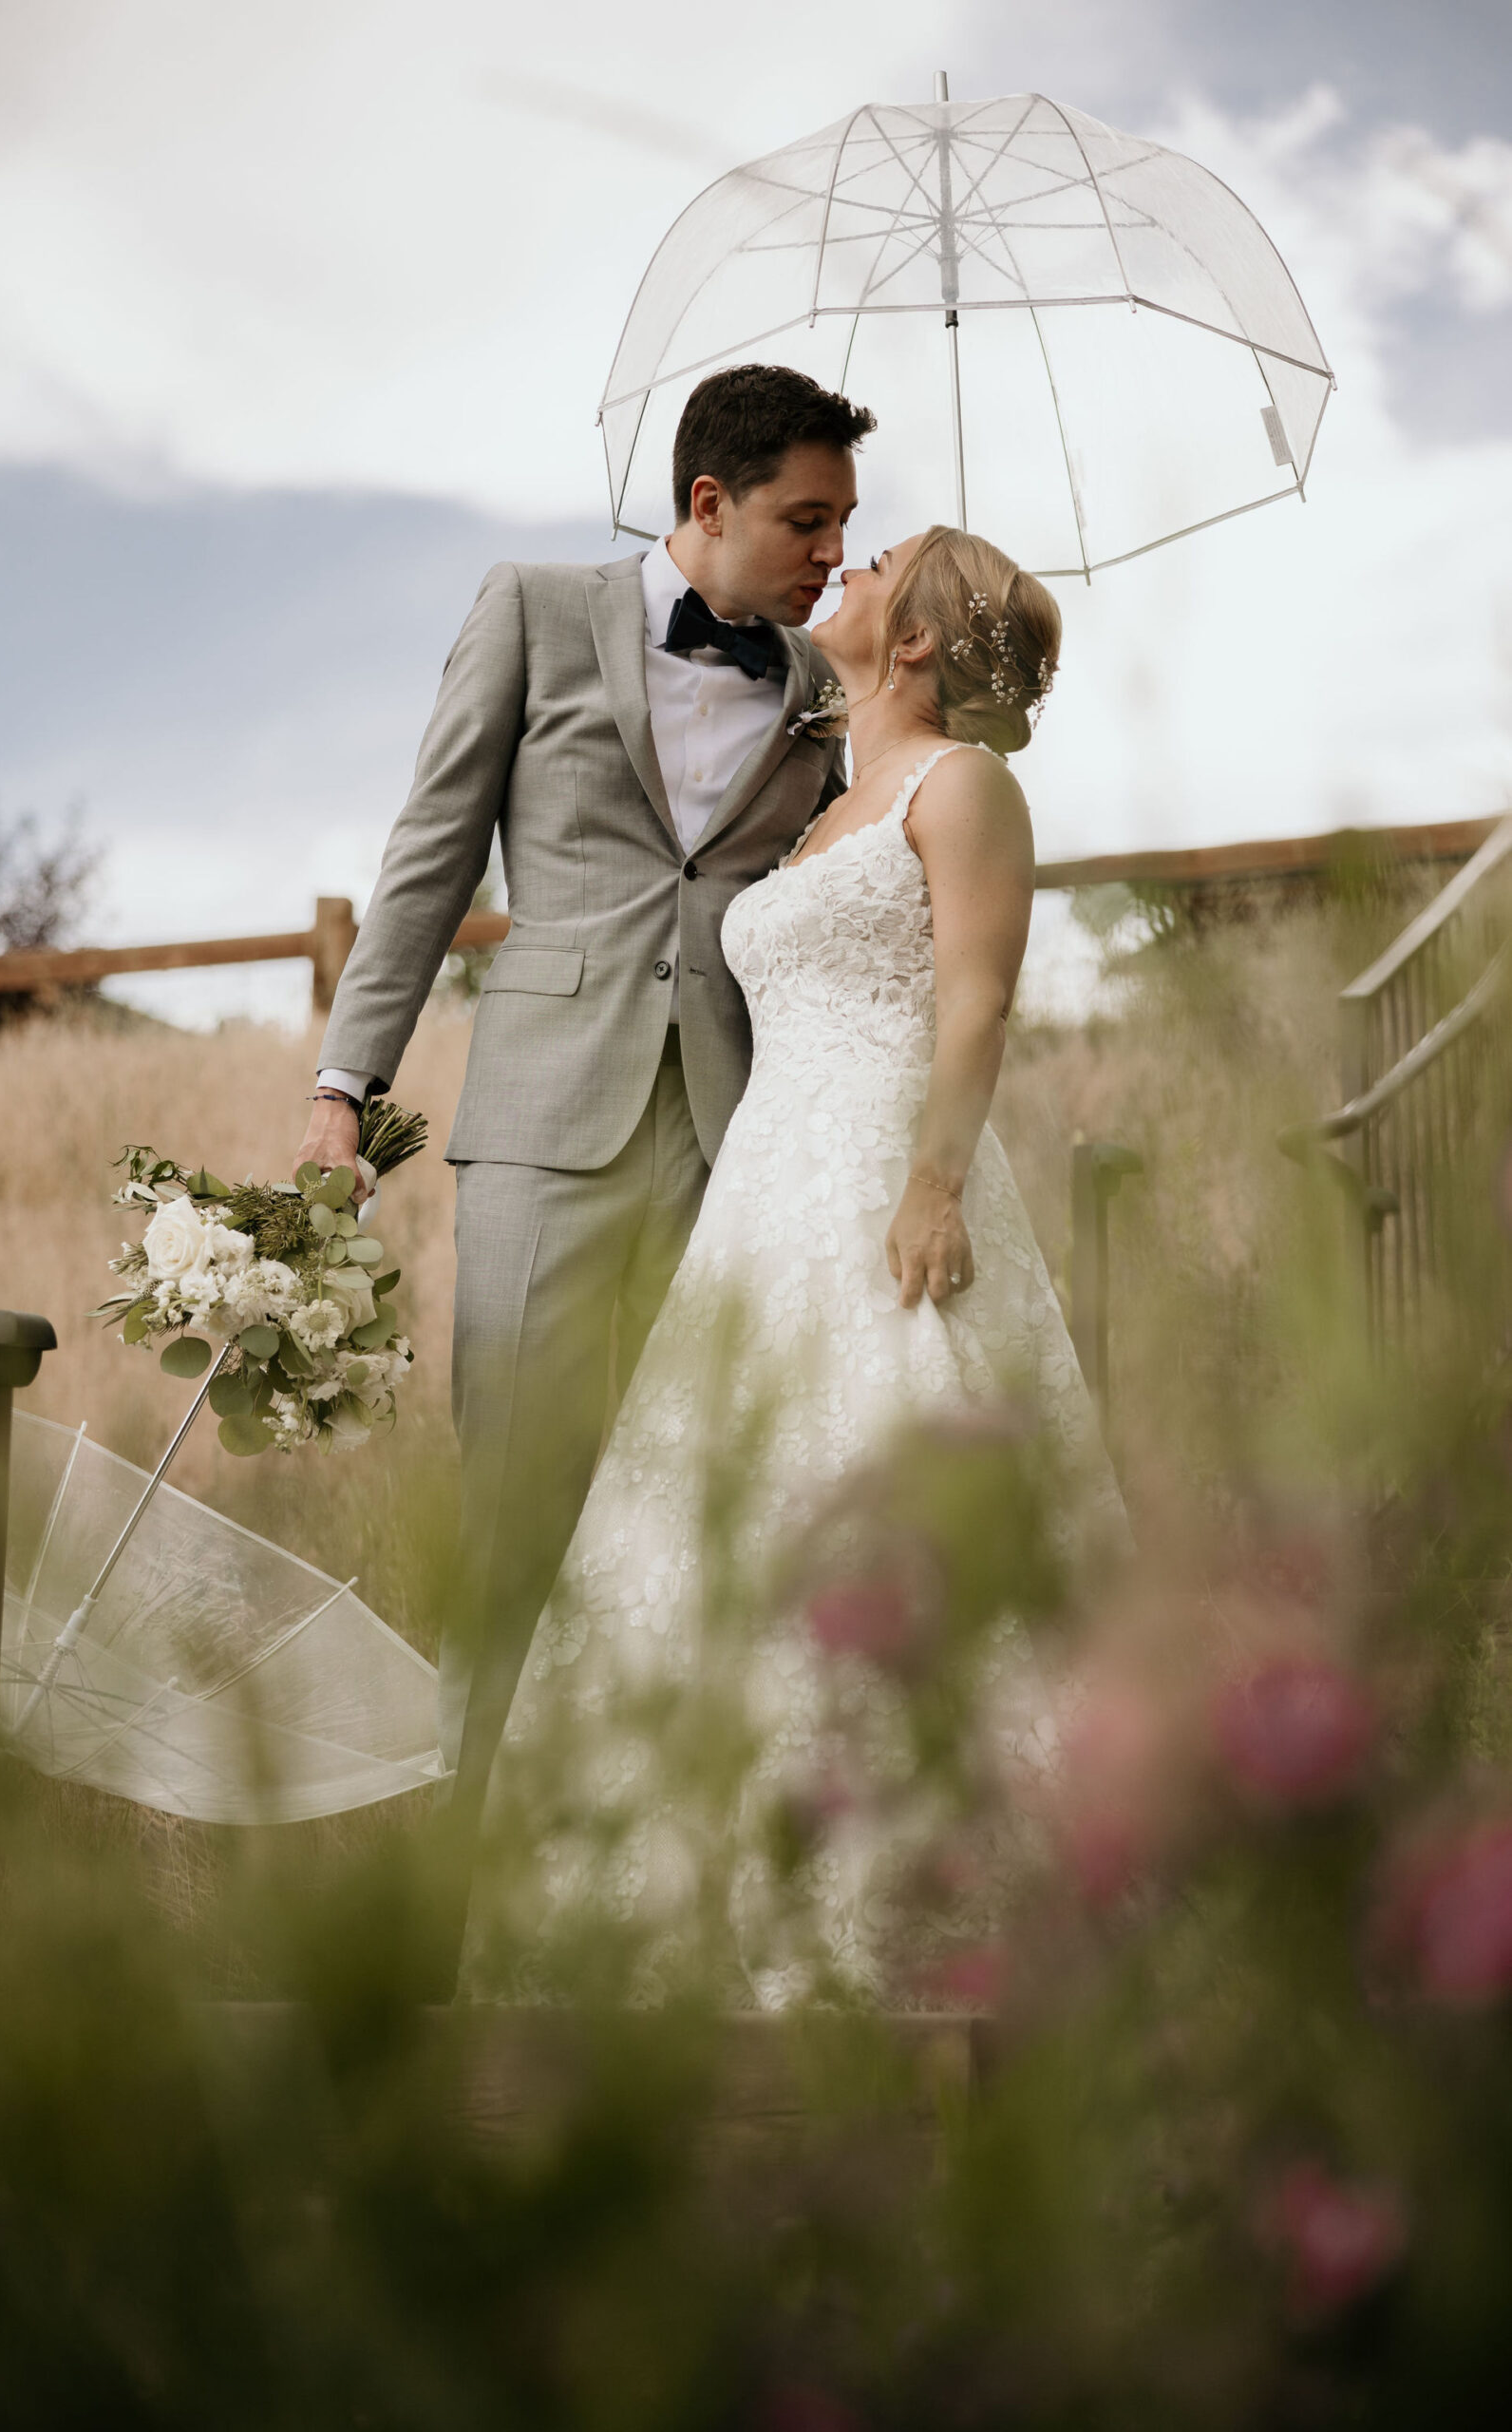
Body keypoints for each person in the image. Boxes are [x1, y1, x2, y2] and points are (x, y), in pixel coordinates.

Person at [461, 526, 1127, 2007]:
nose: (845, 564)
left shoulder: (967, 789)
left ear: (915, 640)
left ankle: (932, 1905)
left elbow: (980, 997)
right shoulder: (826, 806)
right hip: (767, 1194)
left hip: (891, 1174)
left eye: (875, 561)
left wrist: (935, 1181)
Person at [293, 363, 878, 1984]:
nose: (832, 550)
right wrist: (348, 1087)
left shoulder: (832, 678)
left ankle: (664, 1926)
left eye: (844, 522)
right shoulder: (535, 611)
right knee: (520, 1520)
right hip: (545, 1129)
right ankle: (462, 1929)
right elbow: (427, 851)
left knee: (708, 1519)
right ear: (707, 503)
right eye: (804, 519)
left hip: (746, 1140)